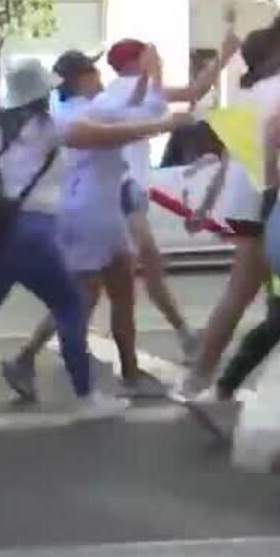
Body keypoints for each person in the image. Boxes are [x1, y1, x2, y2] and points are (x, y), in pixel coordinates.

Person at [0, 58, 149, 422]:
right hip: (33, 230)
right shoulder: (51, 125)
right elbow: (102, 136)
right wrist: (162, 124)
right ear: (41, 93)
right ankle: (85, 398)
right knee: (69, 307)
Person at [3, 51, 197, 401]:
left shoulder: (79, 109)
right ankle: (30, 360)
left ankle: (129, 370)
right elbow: (129, 124)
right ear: (82, 77)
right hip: (88, 213)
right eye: (93, 70)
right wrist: (161, 106)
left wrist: (147, 81)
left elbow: (137, 110)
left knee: (118, 291)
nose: (100, 76)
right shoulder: (78, 114)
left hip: (102, 210)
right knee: (81, 297)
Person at [181, 17, 280, 401]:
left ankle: (205, 378)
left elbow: (228, 158)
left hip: (247, 205)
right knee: (272, 302)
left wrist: (207, 206)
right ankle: (219, 383)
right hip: (277, 204)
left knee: (257, 299)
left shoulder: (252, 93)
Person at [98, 38, 219, 358]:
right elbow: (192, 93)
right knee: (144, 265)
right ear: (134, 62)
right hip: (123, 189)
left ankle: (184, 333)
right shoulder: (126, 90)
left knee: (109, 276)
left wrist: (225, 54)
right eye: (148, 56)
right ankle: (184, 334)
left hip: (124, 188)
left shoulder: (120, 91)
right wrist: (225, 53)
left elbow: (190, 93)